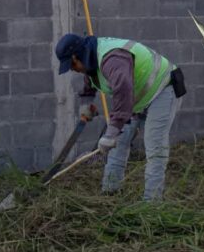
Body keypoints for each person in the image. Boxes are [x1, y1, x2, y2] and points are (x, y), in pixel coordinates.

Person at [54, 33, 185, 201]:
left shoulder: (113, 60)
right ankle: (110, 193)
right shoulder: (90, 57)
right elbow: (90, 75)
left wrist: (110, 133)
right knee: (118, 144)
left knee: (154, 146)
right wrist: (87, 103)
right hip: (138, 97)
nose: (73, 69)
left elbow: (123, 94)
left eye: (72, 65)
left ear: (76, 56)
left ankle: (152, 203)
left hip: (163, 88)